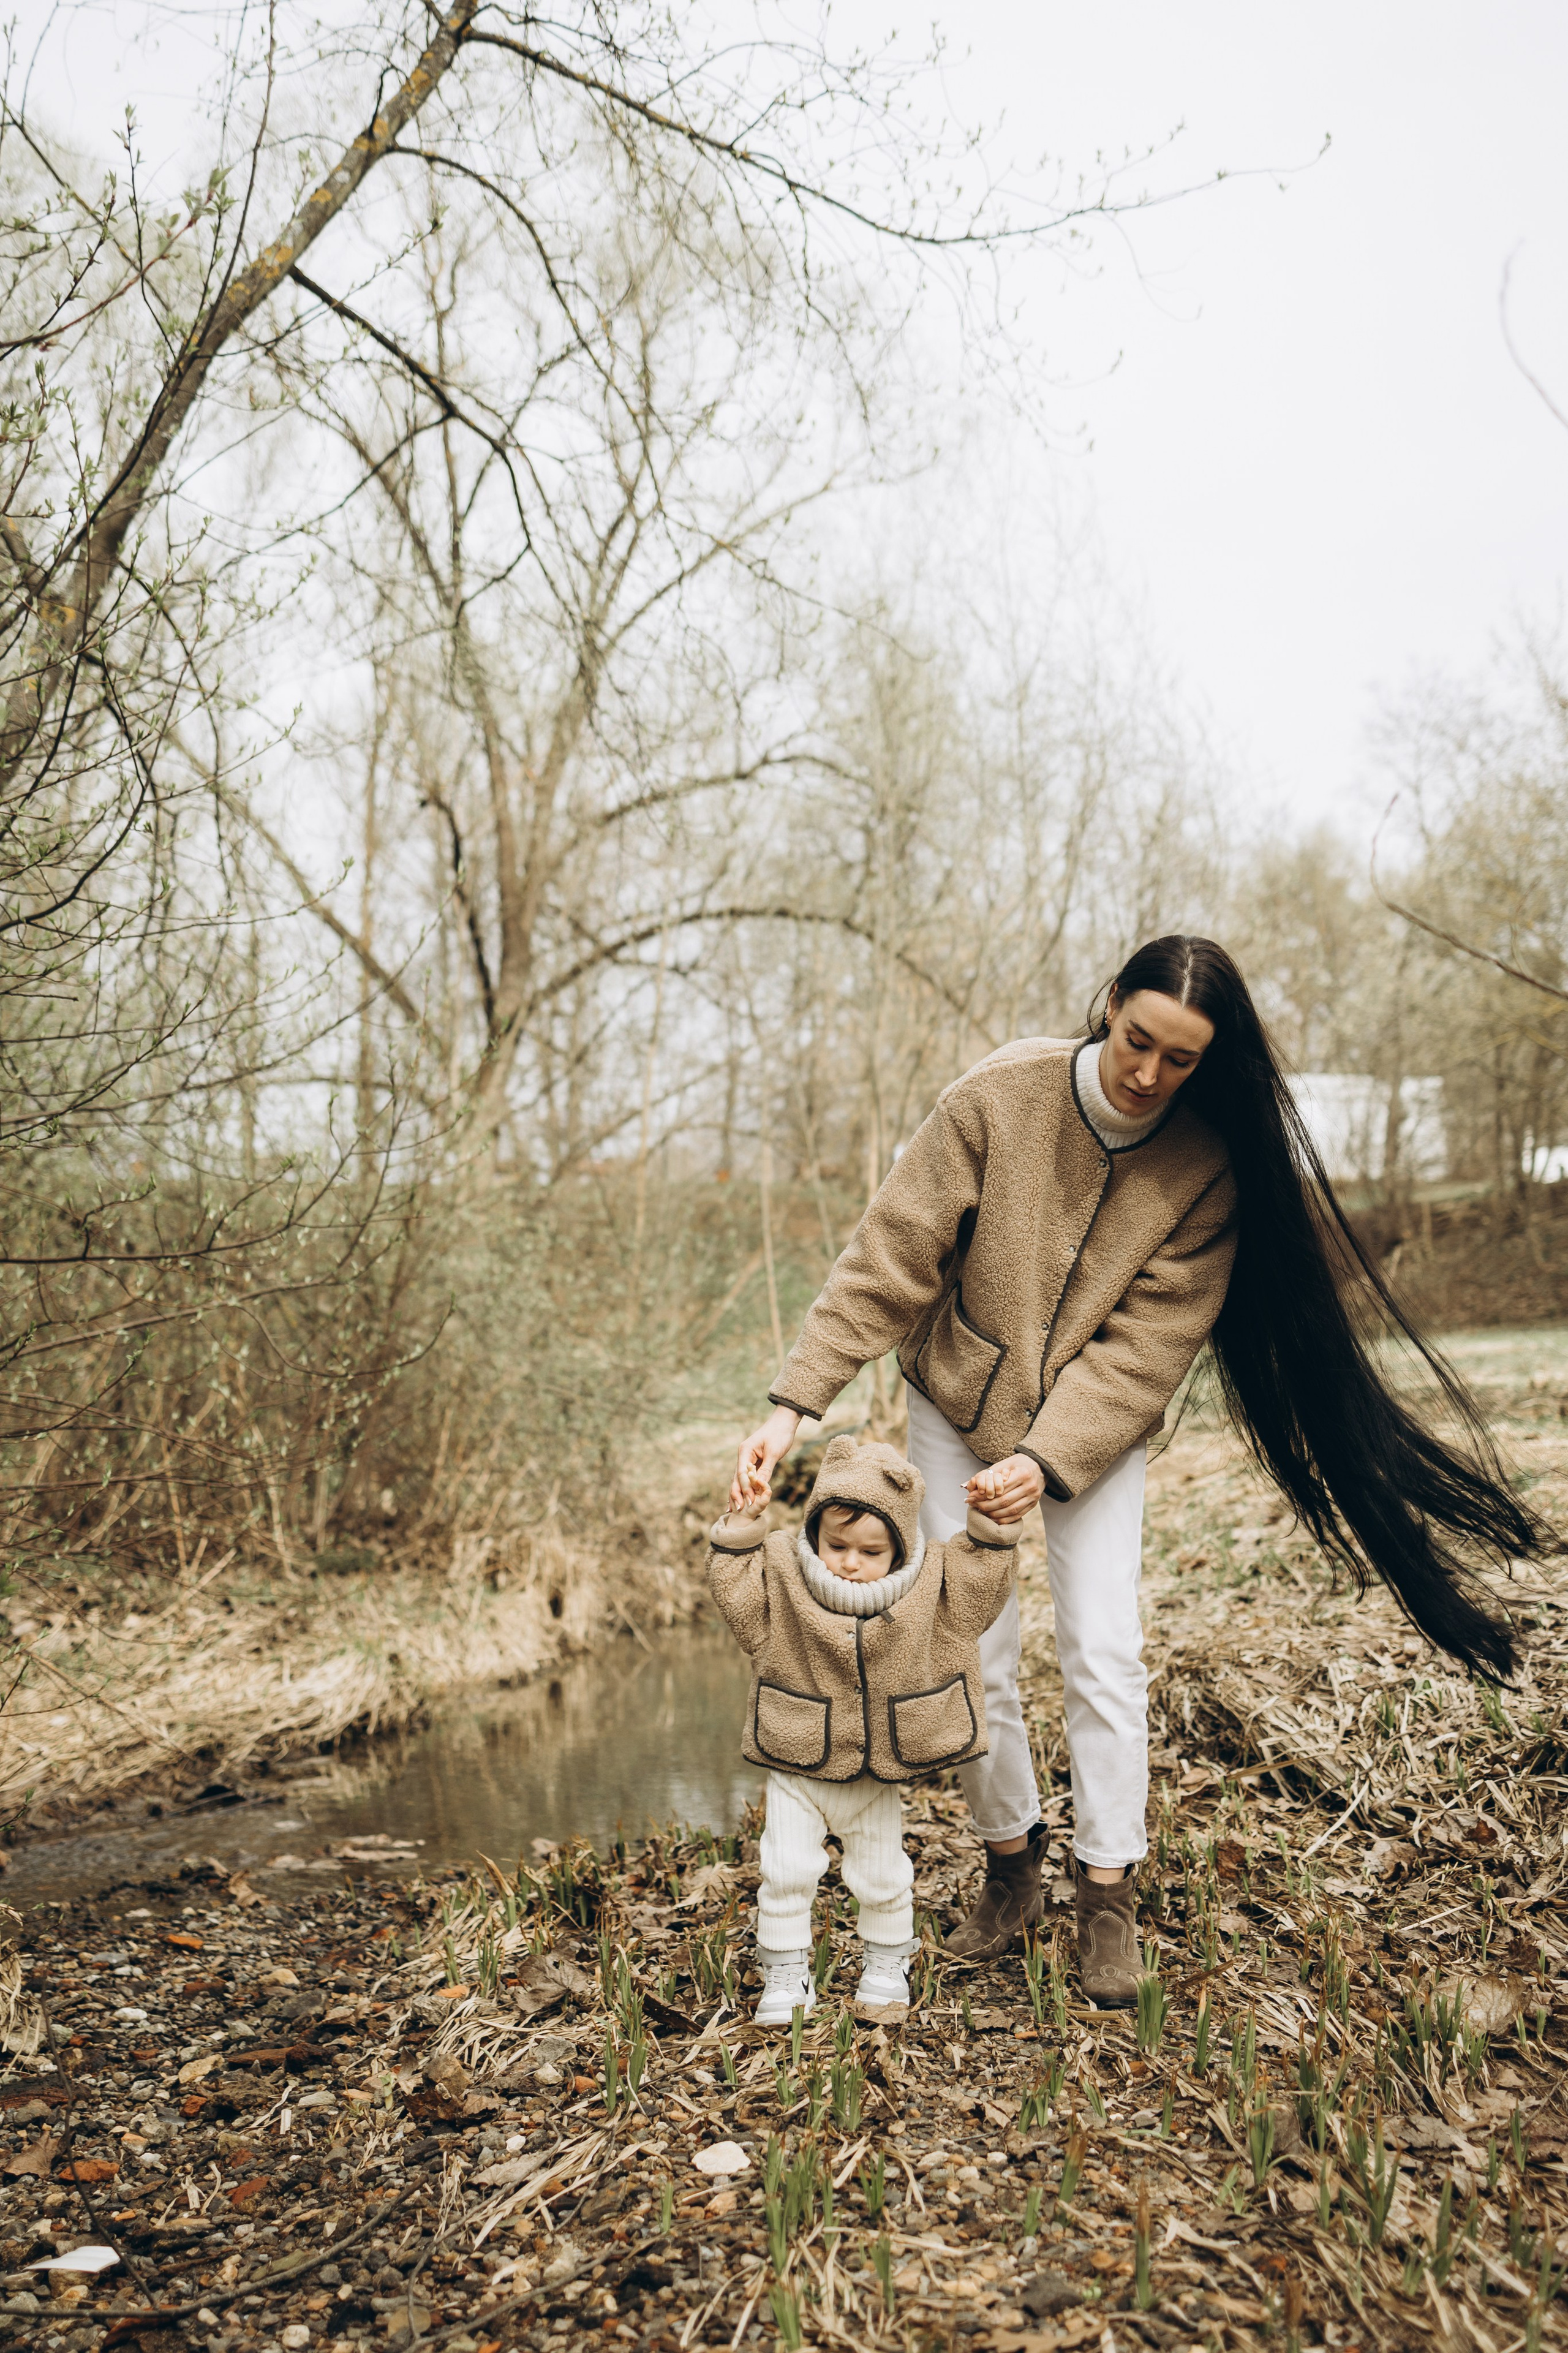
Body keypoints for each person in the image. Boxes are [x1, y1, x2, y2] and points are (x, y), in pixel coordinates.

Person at [733, 934, 1558, 2007]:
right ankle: (1011, 1860)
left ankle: (1107, 1889)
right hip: (951, 1396)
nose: (1149, 1074)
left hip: (1092, 1438)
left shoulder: (1205, 1167)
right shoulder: (1001, 1097)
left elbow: (1146, 1349)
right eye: (1138, 1041)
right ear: (1110, 1004)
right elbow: (891, 1255)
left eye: (1181, 1060)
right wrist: (798, 1402)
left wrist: (1043, 1458)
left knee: (1106, 1651)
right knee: (966, 1649)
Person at [706, 1433, 1019, 2023]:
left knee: (882, 1874)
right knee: (785, 1871)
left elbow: (981, 1588)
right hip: (797, 1759)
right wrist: (742, 1526)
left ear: (899, 1551)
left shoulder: (934, 1585)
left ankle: (885, 1963)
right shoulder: (782, 1575)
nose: (850, 1561)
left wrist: (989, 1527)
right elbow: (736, 1591)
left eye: (870, 1551)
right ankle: (784, 1973)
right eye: (837, 1544)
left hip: (877, 1768)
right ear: (815, 1533)